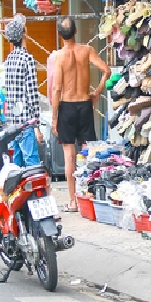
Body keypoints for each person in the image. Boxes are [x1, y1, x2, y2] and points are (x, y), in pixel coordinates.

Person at [51, 17, 111, 212]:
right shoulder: (87, 51)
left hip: (67, 106)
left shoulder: (59, 57)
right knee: (87, 154)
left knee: (69, 156)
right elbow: (106, 70)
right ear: (75, 31)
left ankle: (73, 201)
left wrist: (54, 118)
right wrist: (97, 93)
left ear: (60, 35)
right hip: (85, 104)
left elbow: (57, 88)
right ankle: (87, 198)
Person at [4, 14, 43, 166]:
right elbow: (32, 94)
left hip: (12, 122)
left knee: (16, 164)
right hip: (26, 122)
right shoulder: (27, 59)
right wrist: (37, 125)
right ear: (24, 34)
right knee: (32, 162)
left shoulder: (8, 59)